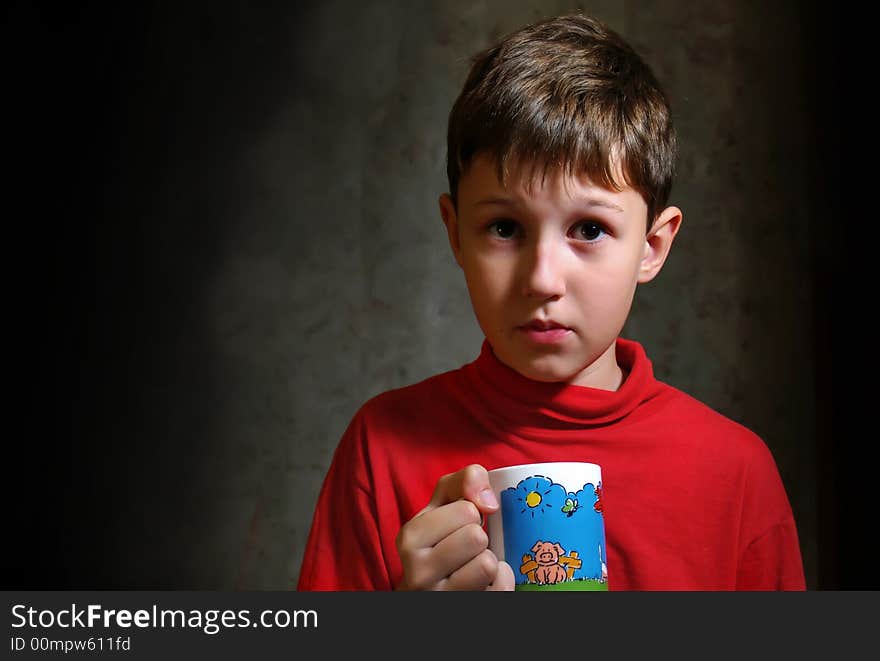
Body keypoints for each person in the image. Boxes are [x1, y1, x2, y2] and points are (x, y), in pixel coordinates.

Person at [296, 12, 806, 591]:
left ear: (652, 246)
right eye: (505, 229)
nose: (542, 280)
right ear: (454, 231)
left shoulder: (734, 473)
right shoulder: (382, 447)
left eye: (588, 230)